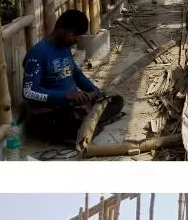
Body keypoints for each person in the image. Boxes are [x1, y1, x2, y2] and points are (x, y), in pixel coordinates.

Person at [21, 9, 123, 147]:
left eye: (79, 36)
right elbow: (28, 92)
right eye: (74, 34)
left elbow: (77, 74)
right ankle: (90, 122)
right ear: (61, 29)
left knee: (117, 101)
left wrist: (95, 91)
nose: (76, 39)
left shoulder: (65, 47)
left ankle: (90, 121)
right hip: (51, 114)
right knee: (82, 131)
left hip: (73, 108)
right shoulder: (37, 54)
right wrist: (67, 96)